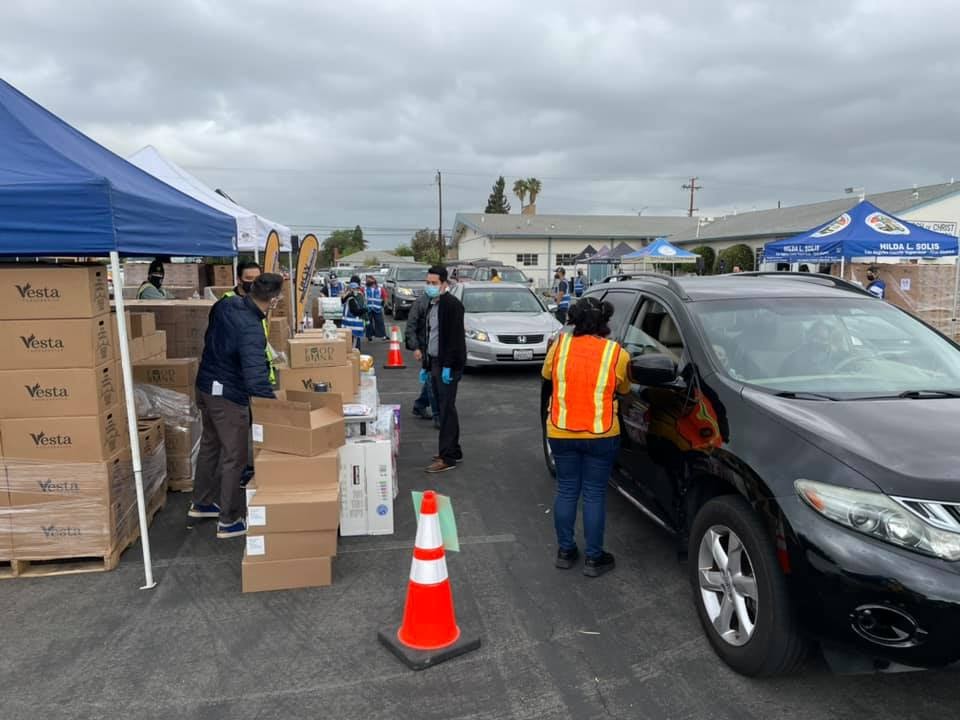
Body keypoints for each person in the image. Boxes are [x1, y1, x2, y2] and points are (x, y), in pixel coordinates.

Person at [541, 296, 631, 577]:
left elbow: (547, 375)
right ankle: (594, 558)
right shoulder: (616, 353)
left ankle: (565, 552)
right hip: (601, 432)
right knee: (594, 494)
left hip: (561, 429)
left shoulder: (559, 347)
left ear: (573, 321)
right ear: (605, 321)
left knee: (567, 489)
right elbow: (625, 388)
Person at [191, 273, 283, 539]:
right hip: (228, 395)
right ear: (274, 300)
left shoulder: (225, 305)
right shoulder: (252, 327)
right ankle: (229, 519)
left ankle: (203, 501)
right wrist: (278, 410)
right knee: (235, 455)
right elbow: (255, 378)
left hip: (206, 384)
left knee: (210, 444)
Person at [423, 266, 466, 473]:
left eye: (434, 283)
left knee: (446, 410)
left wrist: (448, 366)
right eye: (428, 283)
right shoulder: (433, 304)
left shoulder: (452, 306)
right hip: (435, 362)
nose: (430, 286)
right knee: (446, 408)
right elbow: (431, 335)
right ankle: (454, 450)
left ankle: (446, 457)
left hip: (447, 364)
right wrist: (426, 364)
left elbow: (454, 339)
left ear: (444, 284)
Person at [405, 289, 440, 426]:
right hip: (425, 347)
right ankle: (438, 415)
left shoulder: (442, 302)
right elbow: (411, 326)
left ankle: (420, 404)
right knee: (432, 379)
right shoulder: (420, 303)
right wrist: (416, 348)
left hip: (437, 347)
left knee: (432, 378)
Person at [342, 275, 366, 349]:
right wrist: (365, 310)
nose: (357, 290)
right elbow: (356, 311)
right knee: (354, 343)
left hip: (348, 324)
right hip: (353, 324)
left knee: (350, 341)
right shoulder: (352, 298)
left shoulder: (347, 295)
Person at [364, 274, 388, 341]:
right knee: (368, 322)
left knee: (380, 322)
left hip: (377, 308)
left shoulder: (380, 289)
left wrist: (385, 304)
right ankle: (369, 336)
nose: (368, 281)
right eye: (367, 280)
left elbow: (385, 296)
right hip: (368, 308)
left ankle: (383, 335)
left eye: (369, 280)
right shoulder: (365, 288)